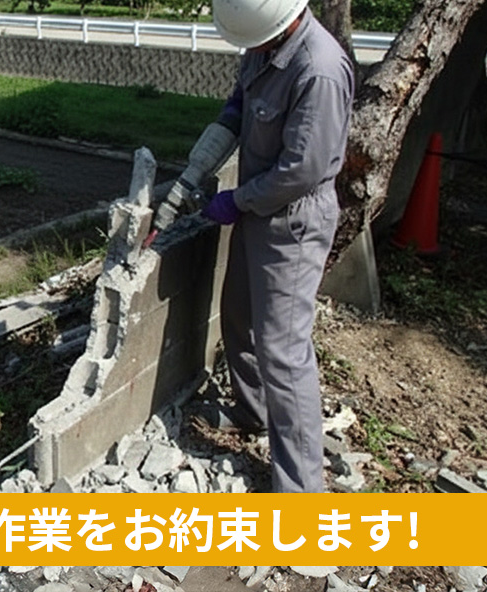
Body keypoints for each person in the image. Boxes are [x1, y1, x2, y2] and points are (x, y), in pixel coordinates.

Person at [153, 0, 354, 493]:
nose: (252, 50)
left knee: (283, 351)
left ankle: (301, 490)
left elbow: (300, 171)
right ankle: (254, 413)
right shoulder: (263, 45)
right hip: (258, 209)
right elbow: (240, 104)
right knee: (239, 314)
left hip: (293, 220)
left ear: (283, 23)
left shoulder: (319, 71)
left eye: (257, 42)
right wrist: (202, 161)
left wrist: (237, 201)